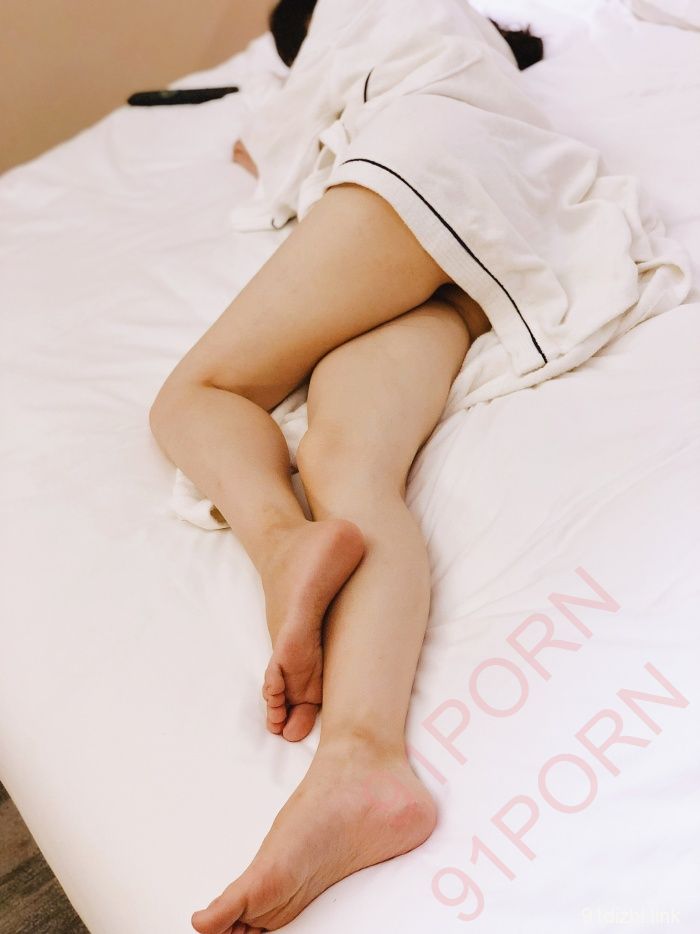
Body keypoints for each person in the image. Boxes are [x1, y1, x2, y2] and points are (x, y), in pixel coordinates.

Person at [149, 0, 689, 931]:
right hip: (520, 217)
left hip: (424, 171)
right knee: (346, 462)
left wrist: (272, 119)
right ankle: (362, 764)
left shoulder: (352, 24)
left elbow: (269, 157)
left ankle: (279, 546)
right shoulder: (465, 37)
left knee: (196, 395)